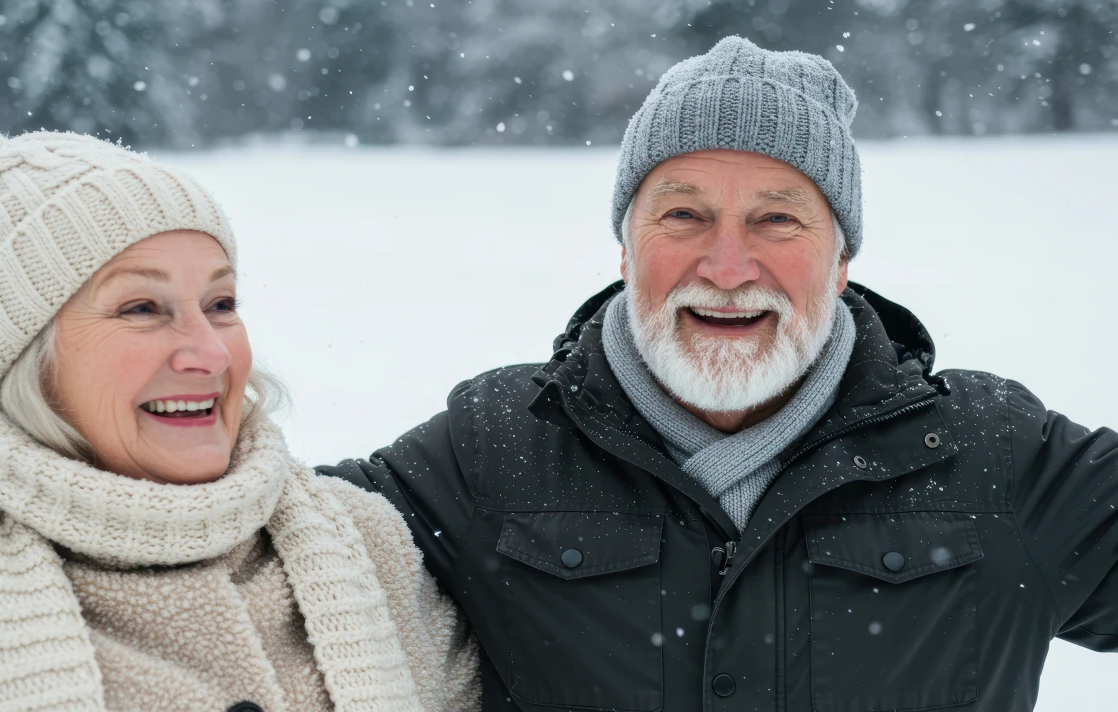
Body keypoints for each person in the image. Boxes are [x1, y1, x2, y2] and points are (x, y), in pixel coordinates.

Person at [319, 36, 1118, 711]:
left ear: (841, 259)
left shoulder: (995, 458)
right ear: (626, 249)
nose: (729, 266)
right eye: (683, 215)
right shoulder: (491, 453)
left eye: (777, 218)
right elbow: (256, 552)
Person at [0, 114, 479, 712]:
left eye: (221, 304)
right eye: (142, 307)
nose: (210, 352)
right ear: (27, 356)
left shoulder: (363, 547)